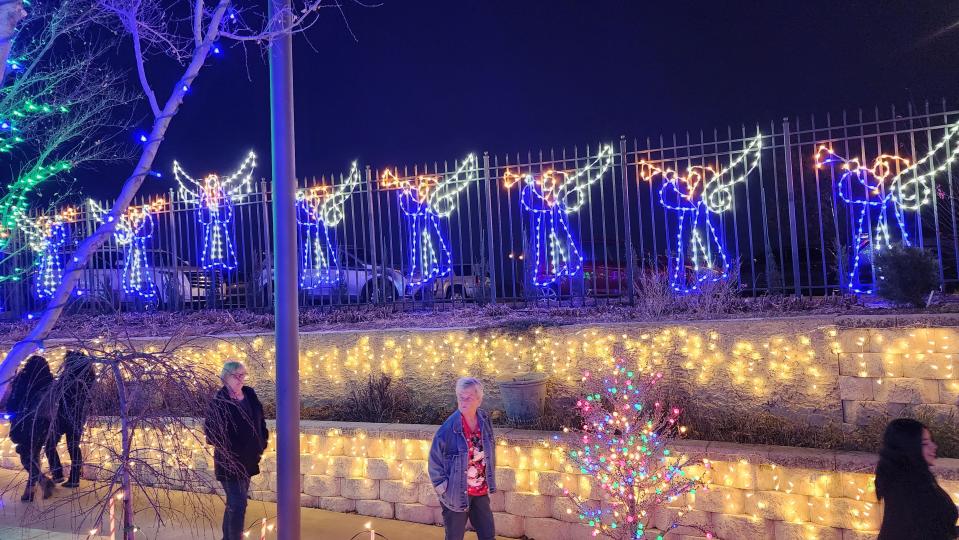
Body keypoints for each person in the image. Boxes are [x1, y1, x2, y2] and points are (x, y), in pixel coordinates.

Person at [204, 361, 268, 540]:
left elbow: (260, 420)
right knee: (238, 504)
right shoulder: (219, 402)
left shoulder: (249, 394)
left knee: (235, 504)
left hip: (248, 460)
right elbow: (211, 434)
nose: (241, 379)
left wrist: (261, 442)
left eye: (243, 374)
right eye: (237, 375)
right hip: (230, 463)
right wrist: (233, 449)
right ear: (226, 378)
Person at [428, 377, 497, 540]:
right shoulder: (448, 429)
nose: (463, 401)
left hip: (480, 491)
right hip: (456, 494)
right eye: (460, 397)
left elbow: (490, 448)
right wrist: (443, 489)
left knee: (488, 535)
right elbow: (434, 461)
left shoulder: (484, 419)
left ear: (479, 400)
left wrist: (489, 477)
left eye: (469, 397)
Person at [875, 418, 959, 540]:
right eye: (924, 443)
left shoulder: (917, 477)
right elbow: (931, 530)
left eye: (931, 441)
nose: (934, 446)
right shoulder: (906, 487)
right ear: (908, 447)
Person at [6, 355, 55, 501]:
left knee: (25, 455)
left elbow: (14, 399)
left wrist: (11, 410)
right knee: (34, 454)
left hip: (25, 422)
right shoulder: (49, 381)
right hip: (44, 423)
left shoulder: (24, 378)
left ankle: (42, 480)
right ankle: (29, 492)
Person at [45, 350, 95, 488]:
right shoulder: (87, 378)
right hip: (75, 417)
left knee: (54, 445)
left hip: (65, 416)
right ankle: (70, 478)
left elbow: (59, 392)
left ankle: (60, 474)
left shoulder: (73, 378)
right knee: (72, 447)